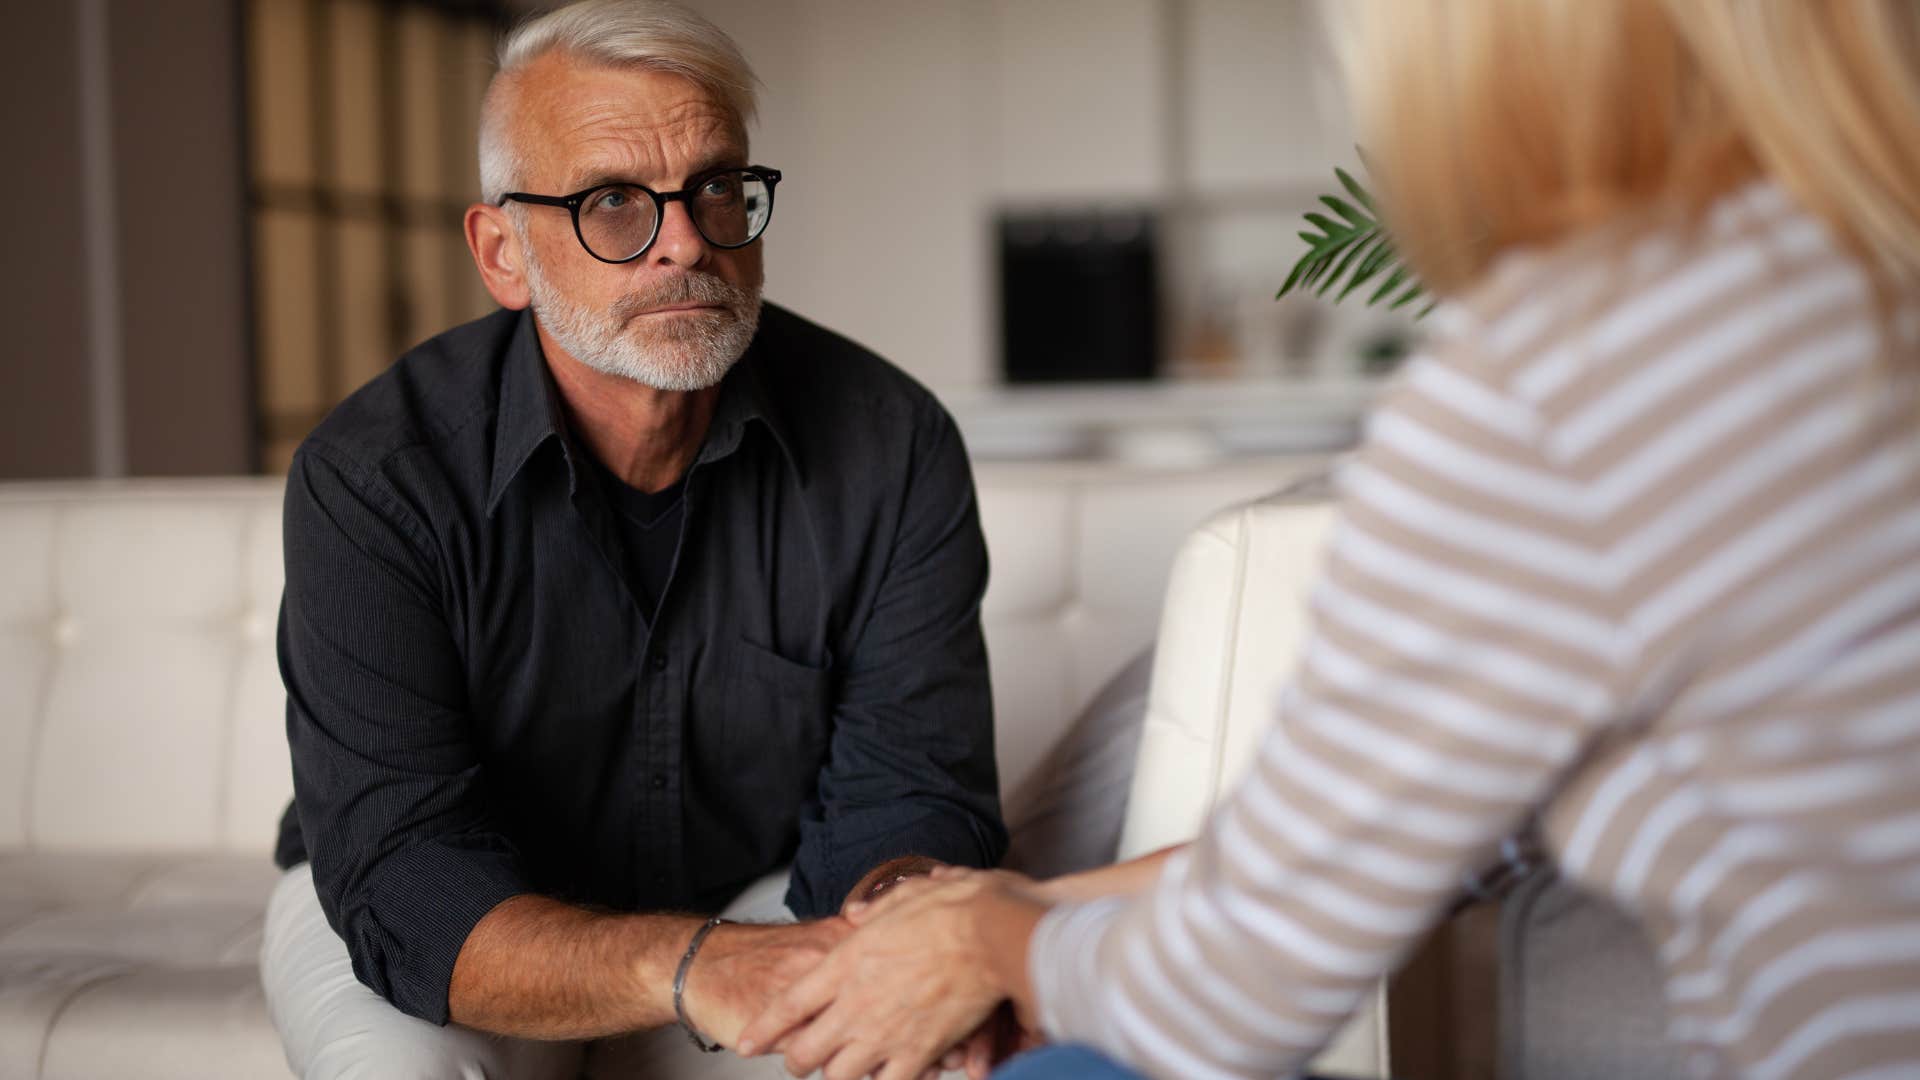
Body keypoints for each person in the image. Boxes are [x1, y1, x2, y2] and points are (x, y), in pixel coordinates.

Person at [740, 1, 1920, 1077]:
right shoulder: (1861, 286)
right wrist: (1012, 909)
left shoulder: (1574, 371)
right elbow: (1457, 834)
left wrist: (996, 942)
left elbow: (1234, 1002)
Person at [257, 1, 1006, 1076]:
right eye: (614, 201)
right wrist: (685, 964)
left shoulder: (893, 445)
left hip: (753, 883)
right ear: (503, 252)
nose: (689, 241)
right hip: (464, 914)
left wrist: (903, 925)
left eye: (714, 187)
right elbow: (407, 880)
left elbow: (909, 793)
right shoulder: (376, 480)